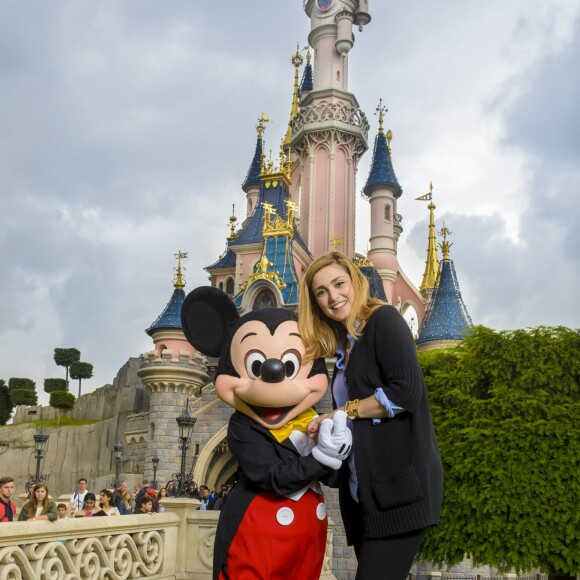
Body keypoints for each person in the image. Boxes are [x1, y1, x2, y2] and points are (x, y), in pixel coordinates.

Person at [298, 252, 443, 580]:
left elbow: (406, 392)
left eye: (338, 284)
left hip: (398, 492)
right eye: (321, 292)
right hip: (365, 498)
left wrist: (344, 410)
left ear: (355, 282)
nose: (333, 297)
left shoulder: (383, 320)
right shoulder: (345, 348)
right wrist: (327, 425)